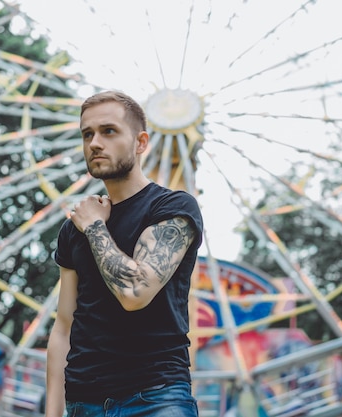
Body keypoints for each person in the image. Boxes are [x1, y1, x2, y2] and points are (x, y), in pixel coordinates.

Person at [45, 90, 203, 417]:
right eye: (87, 134)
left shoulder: (173, 208)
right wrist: (52, 412)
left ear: (141, 142)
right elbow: (63, 327)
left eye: (109, 131)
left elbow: (135, 292)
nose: (95, 143)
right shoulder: (72, 230)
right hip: (83, 402)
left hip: (157, 398)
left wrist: (94, 228)